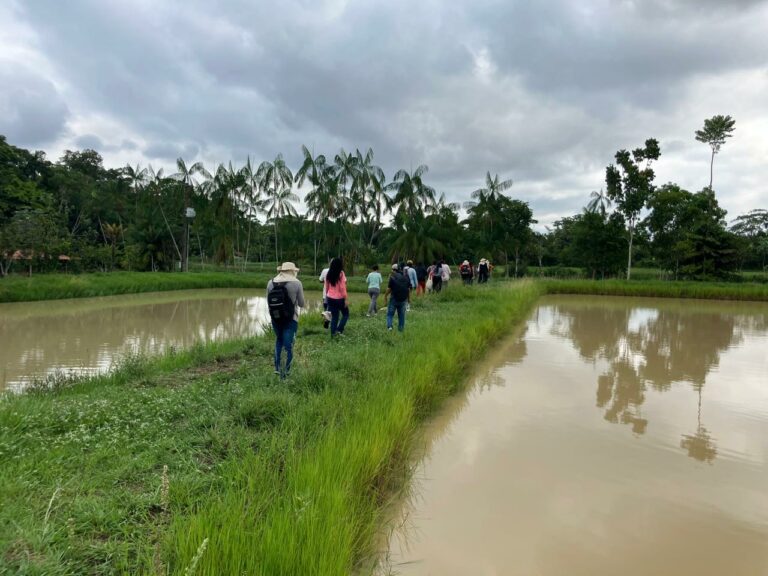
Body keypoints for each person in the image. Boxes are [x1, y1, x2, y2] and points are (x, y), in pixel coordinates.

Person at [267, 262, 305, 378]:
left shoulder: (270, 282)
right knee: (288, 345)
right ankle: (286, 373)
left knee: (279, 340)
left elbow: (268, 303)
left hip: (275, 318)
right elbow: (301, 304)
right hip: (290, 319)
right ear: (293, 271)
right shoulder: (297, 283)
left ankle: (278, 368)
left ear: (282, 271)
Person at [324, 257, 349, 337]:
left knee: (334, 317)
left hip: (330, 297)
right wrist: (345, 298)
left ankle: (333, 334)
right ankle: (339, 330)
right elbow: (342, 287)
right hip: (339, 298)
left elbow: (326, 286)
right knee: (345, 314)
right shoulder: (341, 273)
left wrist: (327, 295)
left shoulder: (329, 273)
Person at [384, 263, 410, 332]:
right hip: (403, 300)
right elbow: (408, 290)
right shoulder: (406, 277)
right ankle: (401, 330)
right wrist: (409, 300)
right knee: (401, 316)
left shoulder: (392, 277)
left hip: (394, 299)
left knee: (390, 314)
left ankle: (390, 327)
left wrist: (385, 296)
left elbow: (389, 289)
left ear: (394, 270)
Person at [319, 262, 331, 328]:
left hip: (325, 294)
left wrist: (325, 280)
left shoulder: (325, 270)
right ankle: (329, 322)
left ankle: (326, 321)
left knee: (326, 309)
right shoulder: (340, 271)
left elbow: (320, 280)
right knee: (333, 310)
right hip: (336, 295)